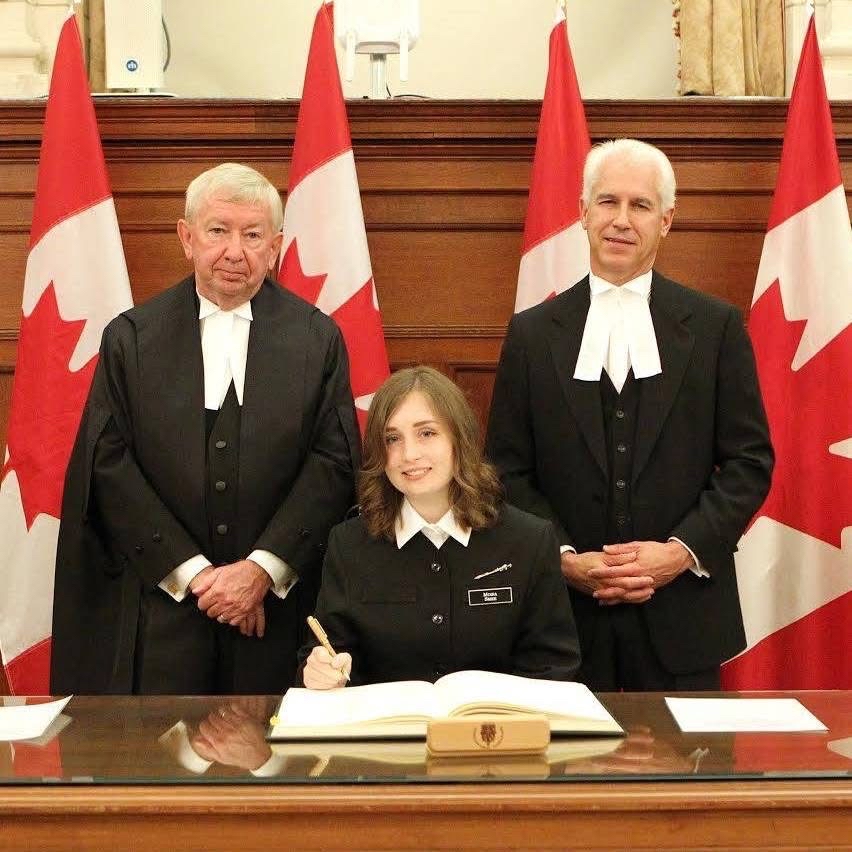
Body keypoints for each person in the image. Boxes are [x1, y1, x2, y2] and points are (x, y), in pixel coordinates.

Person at [51, 163, 359, 695]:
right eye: (218, 231)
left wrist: (260, 572)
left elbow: (333, 464)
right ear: (186, 238)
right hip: (163, 608)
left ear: (276, 246)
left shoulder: (317, 339)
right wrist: (197, 576)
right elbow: (109, 468)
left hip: (276, 613)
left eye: (253, 235)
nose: (234, 252)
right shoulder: (132, 339)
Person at [485, 139, 774, 691]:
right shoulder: (532, 334)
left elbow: (748, 463)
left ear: (666, 220)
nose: (621, 220)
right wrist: (563, 557)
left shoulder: (715, 329)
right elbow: (505, 471)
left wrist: (678, 553)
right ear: (583, 212)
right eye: (607, 202)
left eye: (639, 206)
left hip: (683, 619)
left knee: (684, 778)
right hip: (562, 621)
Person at [302, 366, 580, 689]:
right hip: (388, 735)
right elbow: (325, 655)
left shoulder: (530, 541)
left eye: (427, 433)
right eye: (392, 439)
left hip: (497, 735)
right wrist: (320, 673)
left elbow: (554, 668)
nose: (409, 454)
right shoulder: (348, 544)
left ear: (459, 439)